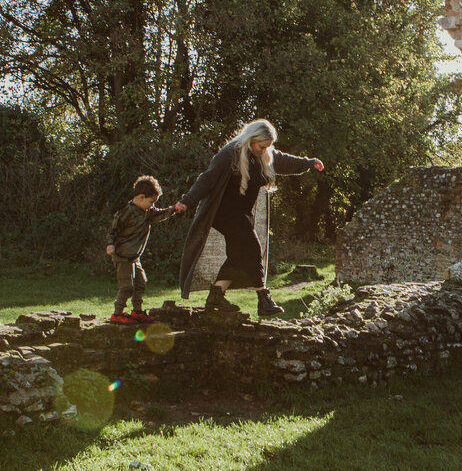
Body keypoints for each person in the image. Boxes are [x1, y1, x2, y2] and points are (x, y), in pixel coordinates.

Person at [174, 119, 323, 316]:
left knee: (238, 255)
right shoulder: (230, 153)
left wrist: (309, 163)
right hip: (223, 213)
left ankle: (216, 297)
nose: (264, 150)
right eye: (262, 146)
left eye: (268, 146)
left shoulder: (264, 155)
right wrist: (187, 201)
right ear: (251, 139)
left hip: (241, 214)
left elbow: (285, 161)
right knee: (253, 248)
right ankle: (264, 299)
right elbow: (208, 179)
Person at [106, 174, 177, 324]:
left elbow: (160, 214)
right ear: (140, 197)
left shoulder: (148, 212)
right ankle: (117, 314)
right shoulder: (127, 212)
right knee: (126, 286)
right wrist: (110, 244)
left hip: (134, 257)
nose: (152, 206)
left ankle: (137, 311)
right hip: (122, 256)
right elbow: (114, 230)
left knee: (141, 283)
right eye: (151, 202)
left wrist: (174, 209)